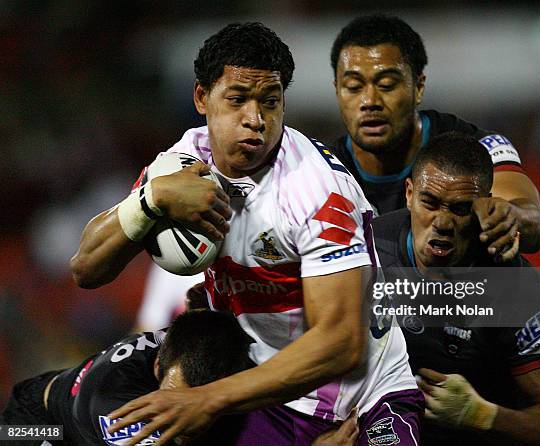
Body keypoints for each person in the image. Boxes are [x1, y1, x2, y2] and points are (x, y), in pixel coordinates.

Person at [70, 22, 422, 446]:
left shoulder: (318, 189)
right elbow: (87, 268)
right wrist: (151, 198)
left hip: (361, 397)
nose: (255, 120)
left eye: (270, 102)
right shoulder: (179, 166)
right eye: (238, 100)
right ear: (202, 98)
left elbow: (341, 345)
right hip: (261, 386)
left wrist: (206, 400)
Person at [371, 132, 540, 445]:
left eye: (460, 209)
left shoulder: (514, 288)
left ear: (484, 206)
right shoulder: (365, 250)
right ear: (409, 194)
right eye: (429, 203)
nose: (442, 223)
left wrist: (482, 415)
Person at [330, 15, 540, 262]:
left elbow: (533, 223)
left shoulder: (478, 148)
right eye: (354, 86)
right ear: (337, 89)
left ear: (418, 87)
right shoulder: (321, 172)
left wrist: (510, 217)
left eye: (387, 85)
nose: (370, 102)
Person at [0, 310, 254, 445]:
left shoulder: (199, 345)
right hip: (41, 426)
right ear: (157, 367)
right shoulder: (113, 400)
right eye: (170, 396)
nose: (176, 410)